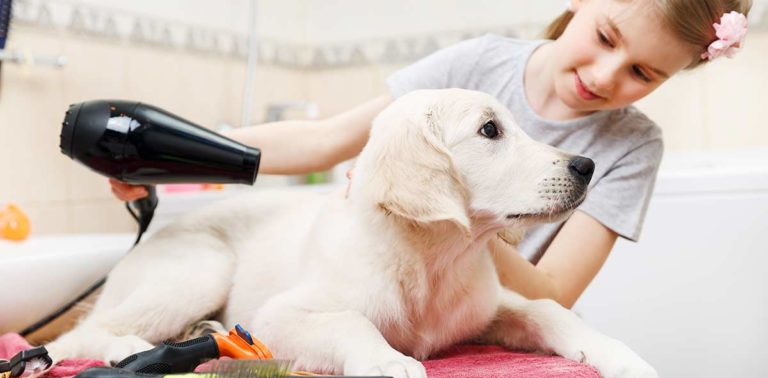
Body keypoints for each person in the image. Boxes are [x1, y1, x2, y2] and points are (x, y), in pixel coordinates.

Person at [111, 0, 751, 309]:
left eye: (643, 72)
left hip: (474, 313)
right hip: (384, 297)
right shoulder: (476, 65)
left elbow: (553, 294)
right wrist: (173, 153)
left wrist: (456, 214)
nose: (608, 76)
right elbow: (325, 140)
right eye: (606, 37)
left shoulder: (632, 146)